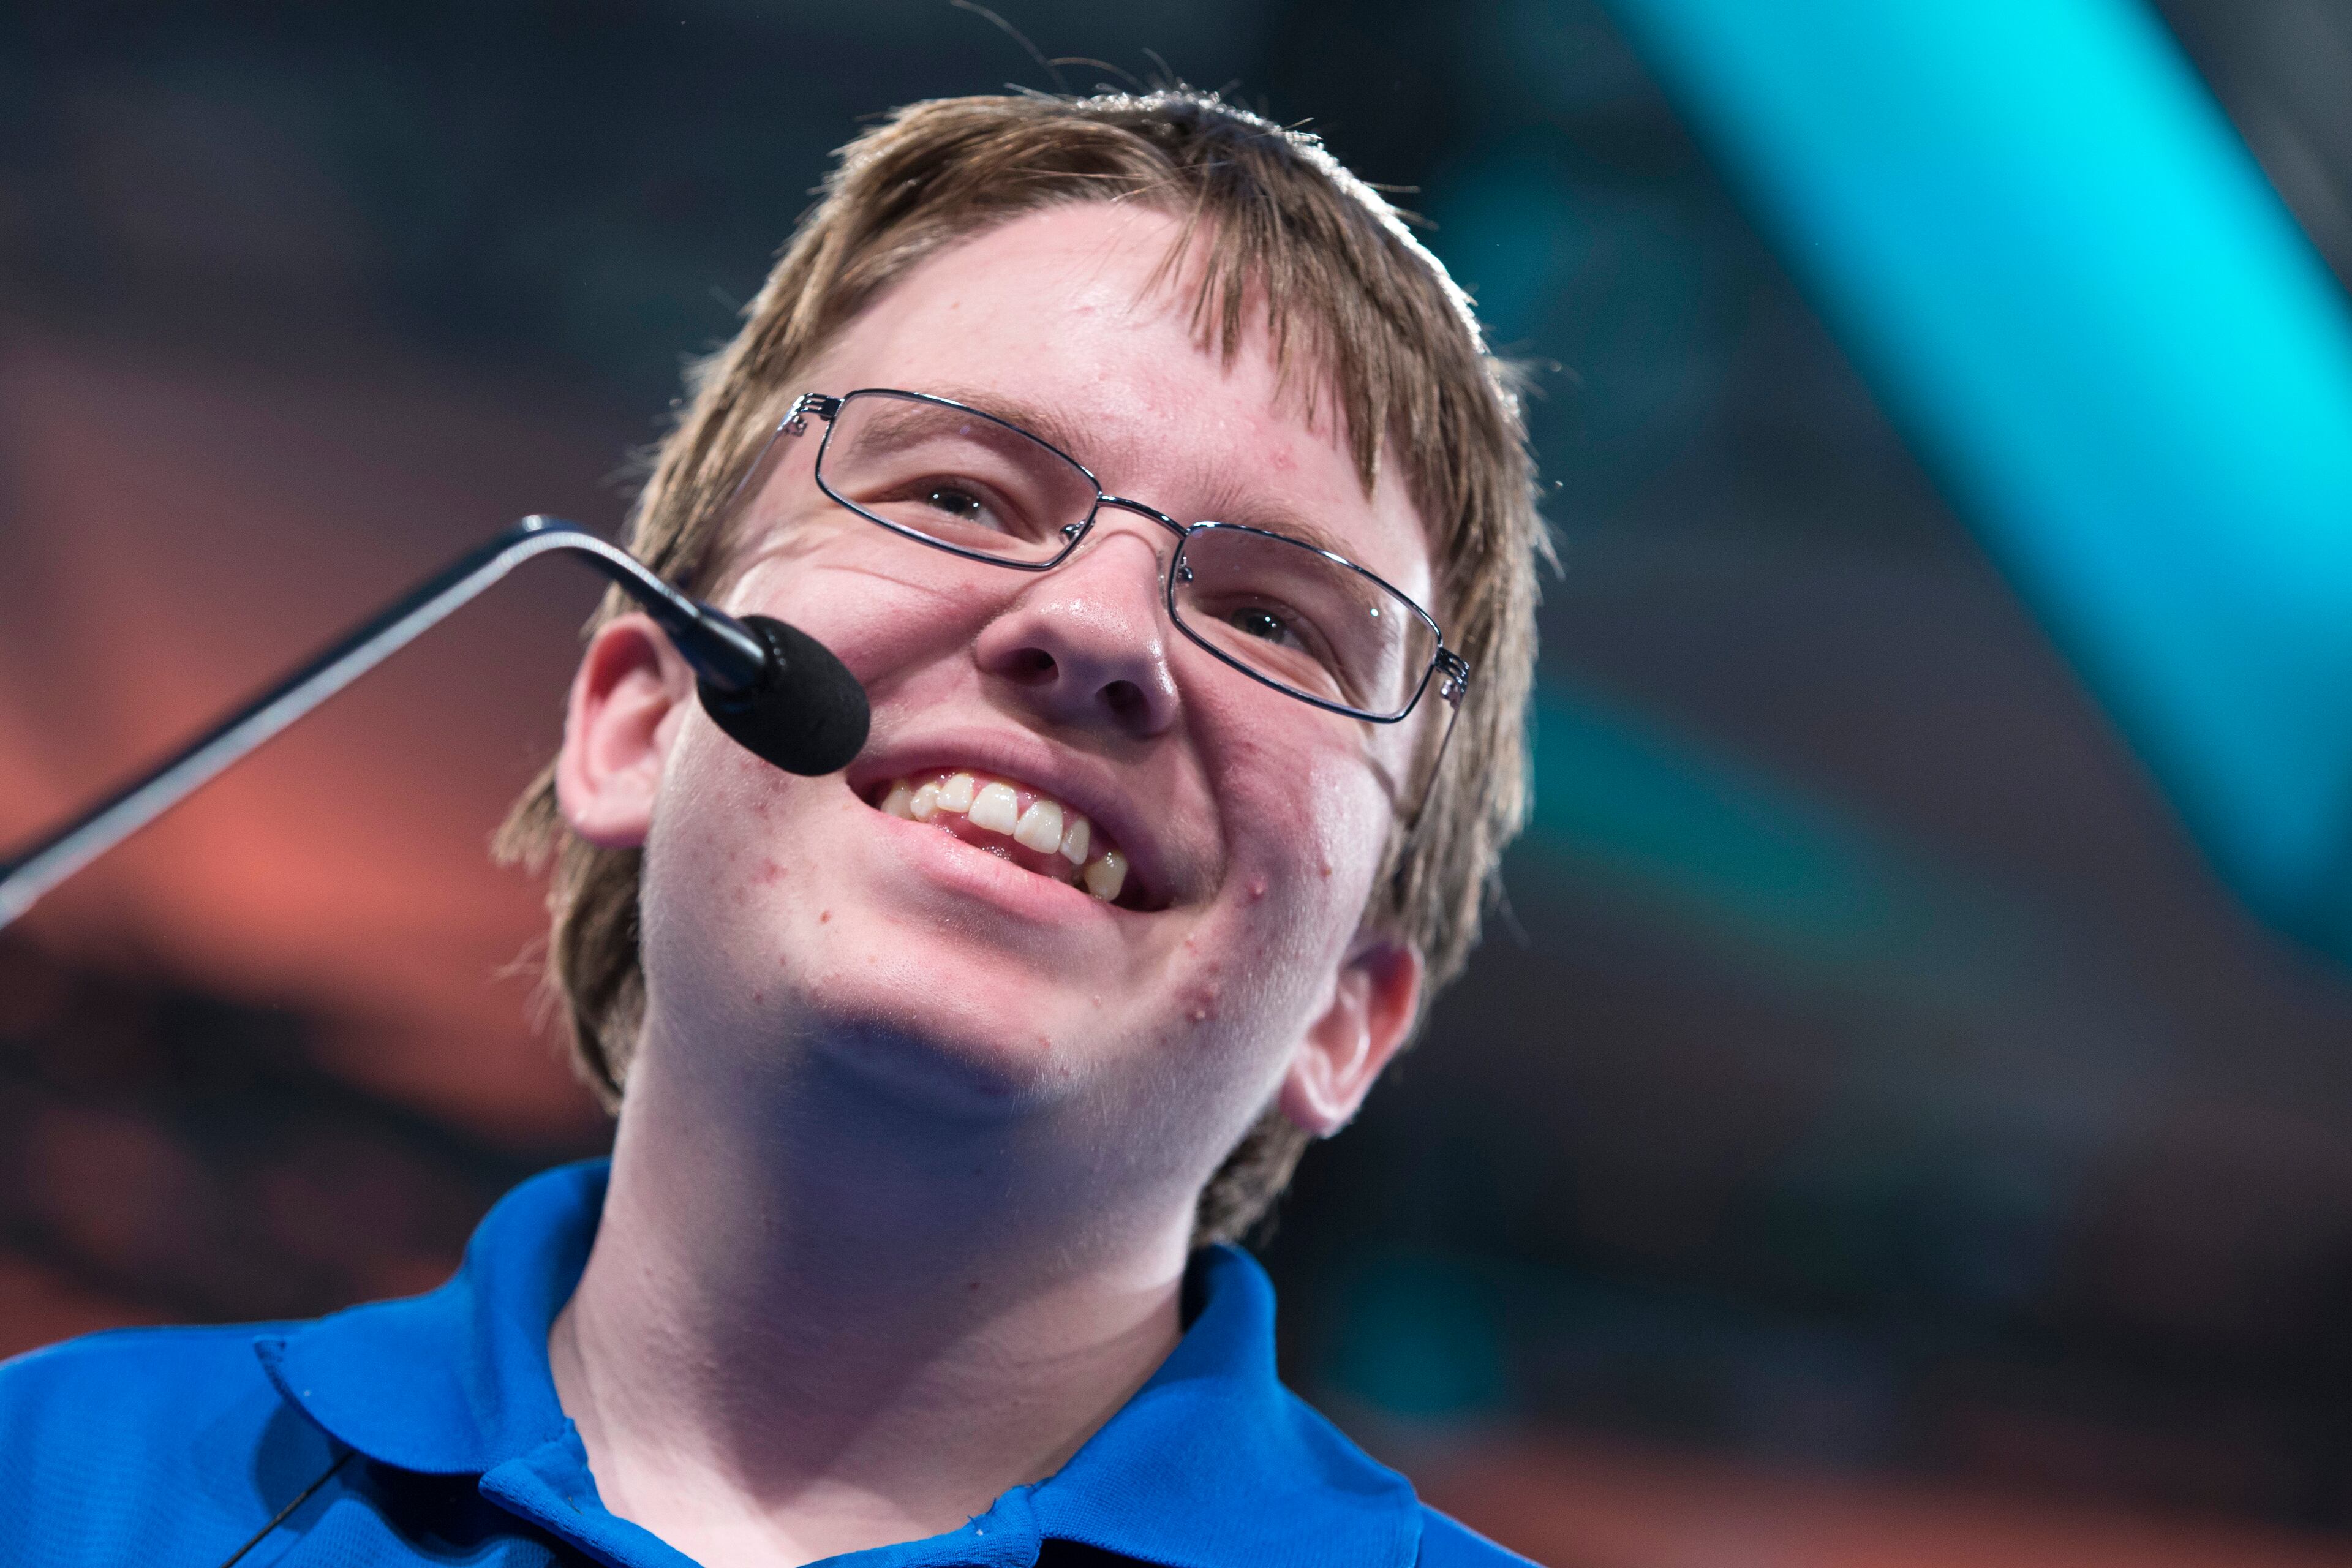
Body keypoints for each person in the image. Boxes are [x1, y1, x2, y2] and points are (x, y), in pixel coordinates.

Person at [0, 88, 1547, 1567]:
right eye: (959, 493)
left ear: (1351, 1012)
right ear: (635, 719)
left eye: (1277, 620)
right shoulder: (45, 1487)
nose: (1094, 628)